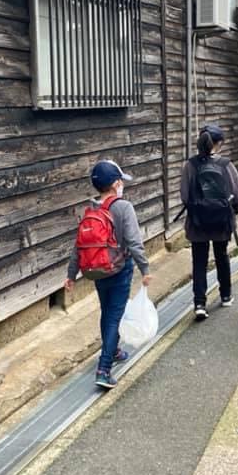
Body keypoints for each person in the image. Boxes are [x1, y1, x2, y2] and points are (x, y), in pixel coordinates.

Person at [65, 160, 154, 389]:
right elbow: (134, 242)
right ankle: (104, 369)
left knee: (107, 311)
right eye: (121, 181)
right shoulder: (123, 207)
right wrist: (145, 268)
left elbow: (79, 246)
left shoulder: (92, 209)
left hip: (95, 270)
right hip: (119, 268)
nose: (122, 184)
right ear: (116, 184)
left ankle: (113, 351)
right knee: (115, 315)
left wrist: (71, 274)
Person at [179, 124, 238, 321]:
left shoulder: (190, 165)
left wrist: (196, 209)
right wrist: (233, 212)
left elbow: (184, 195)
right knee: (221, 256)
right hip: (221, 220)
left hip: (198, 222)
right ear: (219, 143)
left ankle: (199, 303)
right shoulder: (226, 165)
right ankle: (225, 295)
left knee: (199, 261)